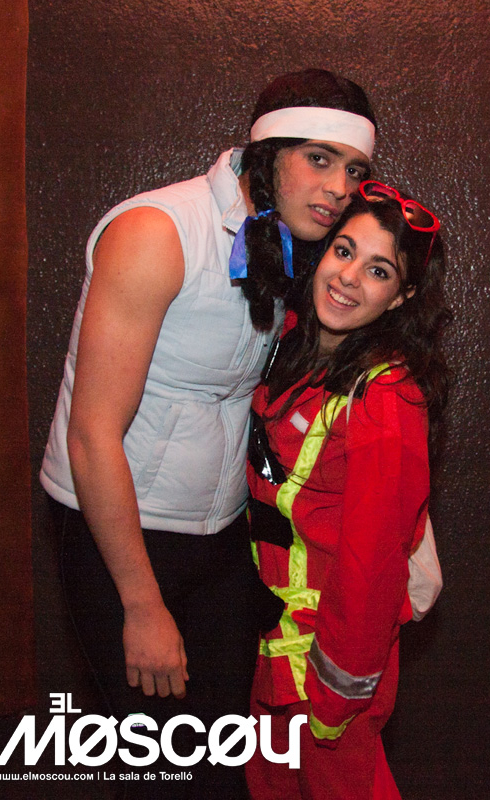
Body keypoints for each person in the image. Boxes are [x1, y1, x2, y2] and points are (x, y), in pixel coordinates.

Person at [40, 68, 377, 798]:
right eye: (318, 158)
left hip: (218, 532)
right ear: (266, 154)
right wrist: (140, 605)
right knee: (155, 765)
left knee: (222, 761)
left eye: (354, 169)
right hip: (121, 532)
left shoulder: (295, 241)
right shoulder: (157, 231)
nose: (338, 186)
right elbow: (92, 434)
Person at [246, 182, 451, 800]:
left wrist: (336, 697)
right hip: (272, 652)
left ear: (402, 296)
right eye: (343, 251)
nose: (348, 278)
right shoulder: (293, 348)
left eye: (379, 270)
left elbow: (371, 568)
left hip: (325, 675)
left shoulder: (386, 397)